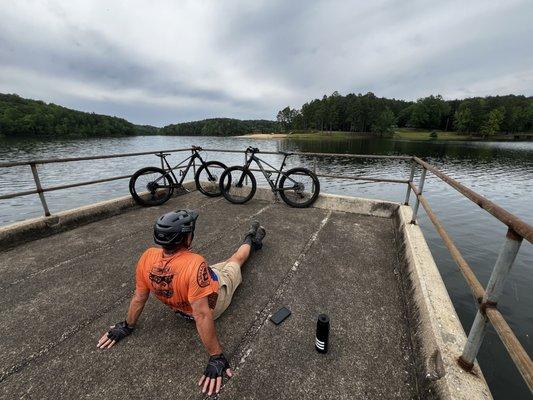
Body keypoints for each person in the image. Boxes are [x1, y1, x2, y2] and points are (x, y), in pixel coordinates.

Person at [96, 209, 266, 396]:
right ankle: (251, 238)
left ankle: (252, 242)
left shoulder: (147, 256)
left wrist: (126, 326)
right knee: (236, 260)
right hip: (214, 300)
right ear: (187, 238)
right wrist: (216, 356)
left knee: (224, 263)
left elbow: (139, 297)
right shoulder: (195, 263)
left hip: (185, 301)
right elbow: (202, 314)